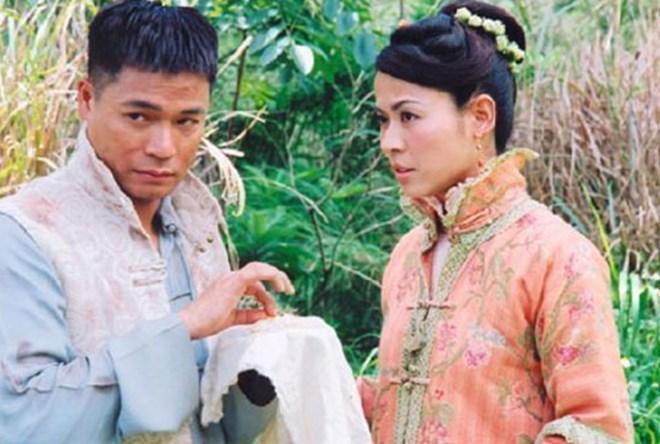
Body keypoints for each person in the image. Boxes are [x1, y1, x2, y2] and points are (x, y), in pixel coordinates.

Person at [0, 1, 295, 443]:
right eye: (139, 117)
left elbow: (217, 424)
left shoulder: (197, 224)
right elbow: (26, 422)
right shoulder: (26, 234)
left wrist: (258, 368)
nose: (164, 147)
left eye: (187, 122)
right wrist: (184, 328)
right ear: (87, 99)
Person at [357, 1, 633, 443]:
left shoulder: (556, 258)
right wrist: (290, 353)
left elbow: (598, 429)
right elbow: (400, 409)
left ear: (480, 117)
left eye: (408, 116)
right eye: (383, 120)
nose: (389, 142)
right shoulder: (407, 256)